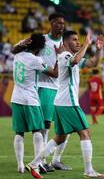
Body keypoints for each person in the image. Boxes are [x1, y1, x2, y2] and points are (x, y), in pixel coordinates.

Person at [25, 30, 104, 178]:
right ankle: (89, 171)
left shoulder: (69, 56)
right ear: (66, 43)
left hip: (61, 102)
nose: (78, 42)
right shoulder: (65, 56)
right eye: (74, 40)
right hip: (68, 102)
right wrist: (88, 44)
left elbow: (92, 62)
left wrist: (98, 50)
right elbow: (75, 61)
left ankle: (34, 163)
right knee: (85, 133)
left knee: (60, 137)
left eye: (78, 40)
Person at [12, 13, 71, 171]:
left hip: (60, 88)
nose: (61, 26)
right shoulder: (44, 41)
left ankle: (53, 159)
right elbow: (52, 70)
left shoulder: (65, 42)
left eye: (63, 23)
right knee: (42, 126)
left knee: (62, 125)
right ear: (51, 23)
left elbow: (15, 51)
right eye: (58, 23)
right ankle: (41, 161)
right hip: (44, 88)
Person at [11, 34, 58, 174]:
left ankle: (20, 165)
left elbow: (14, 49)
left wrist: (20, 43)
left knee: (19, 132)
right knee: (38, 130)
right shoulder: (36, 60)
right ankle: (36, 164)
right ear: (40, 47)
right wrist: (59, 56)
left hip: (16, 98)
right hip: (30, 99)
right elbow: (55, 73)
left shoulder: (17, 55)